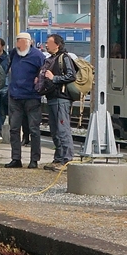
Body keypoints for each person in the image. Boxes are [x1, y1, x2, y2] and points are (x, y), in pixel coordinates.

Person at [5, 32, 46, 169]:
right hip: (15, 96)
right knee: (14, 129)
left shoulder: (38, 56)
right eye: (18, 42)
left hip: (32, 97)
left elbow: (44, 71)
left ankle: (34, 159)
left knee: (34, 129)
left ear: (29, 42)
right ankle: (16, 158)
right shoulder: (13, 54)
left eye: (22, 42)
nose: (19, 45)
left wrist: (38, 80)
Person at [39, 34, 78, 170]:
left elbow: (71, 75)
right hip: (51, 98)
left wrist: (54, 78)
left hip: (61, 98)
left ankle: (67, 160)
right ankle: (59, 158)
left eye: (48, 43)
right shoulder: (50, 59)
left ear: (57, 45)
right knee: (55, 130)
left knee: (63, 130)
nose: (46, 45)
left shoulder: (64, 58)